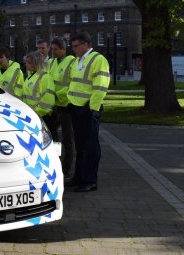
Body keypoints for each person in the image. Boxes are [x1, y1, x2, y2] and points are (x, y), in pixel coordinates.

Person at [66, 32, 110, 192]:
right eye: (73, 47)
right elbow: (75, 84)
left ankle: (90, 181)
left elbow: (100, 86)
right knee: (81, 146)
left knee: (91, 147)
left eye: (76, 46)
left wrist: (93, 109)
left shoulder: (98, 60)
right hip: (77, 108)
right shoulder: (78, 61)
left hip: (88, 110)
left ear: (86, 44)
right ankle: (79, 178)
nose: (74, 49)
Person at [47, 37, 76, 178]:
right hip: (53, 106)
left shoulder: (71, 62)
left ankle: (66, 171)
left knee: (67, 139)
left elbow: (73, 84)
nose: (53, 52)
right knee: (53, 137)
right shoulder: (51, 62)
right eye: (52, 49)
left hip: (66, 105)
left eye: (56, 49)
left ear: (64, 49)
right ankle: (56, 165)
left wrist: (58, 95)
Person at [20, 51, 55, 118]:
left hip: (41, 115)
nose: (26, 64)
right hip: (30, 113)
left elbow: (47, 101)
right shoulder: (30, 76)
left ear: (36, 63)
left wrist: (36, 111)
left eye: (29, 63)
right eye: (26, 62)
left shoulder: (45, 77)